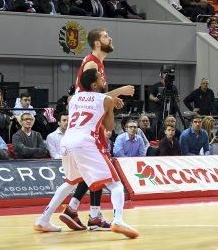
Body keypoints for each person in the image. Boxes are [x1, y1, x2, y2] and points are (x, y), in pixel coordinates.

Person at [34, 68, 139, 239]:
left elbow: (88, 103)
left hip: (67, 142)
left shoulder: (74, 98)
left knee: (70, 182)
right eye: (100, 77)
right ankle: (118, 220)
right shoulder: (105, 100)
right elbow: (110, 127)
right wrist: (111, 108)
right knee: (116, 184)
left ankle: (43, 219)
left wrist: (109, 101)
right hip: (85, 142)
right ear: (94, 84)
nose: (103, 78)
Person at [59, 28, 134, 232]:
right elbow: (89, 96)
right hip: (88, 124)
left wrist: (110, 101)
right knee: (99, 168)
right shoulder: (92, 62)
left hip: (89, 121)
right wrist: (120, 92)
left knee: (91, 170)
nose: (110, 37)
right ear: (98, 43)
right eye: (105, 36)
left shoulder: (97, 62)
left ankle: (75, 209)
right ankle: (90, 215)